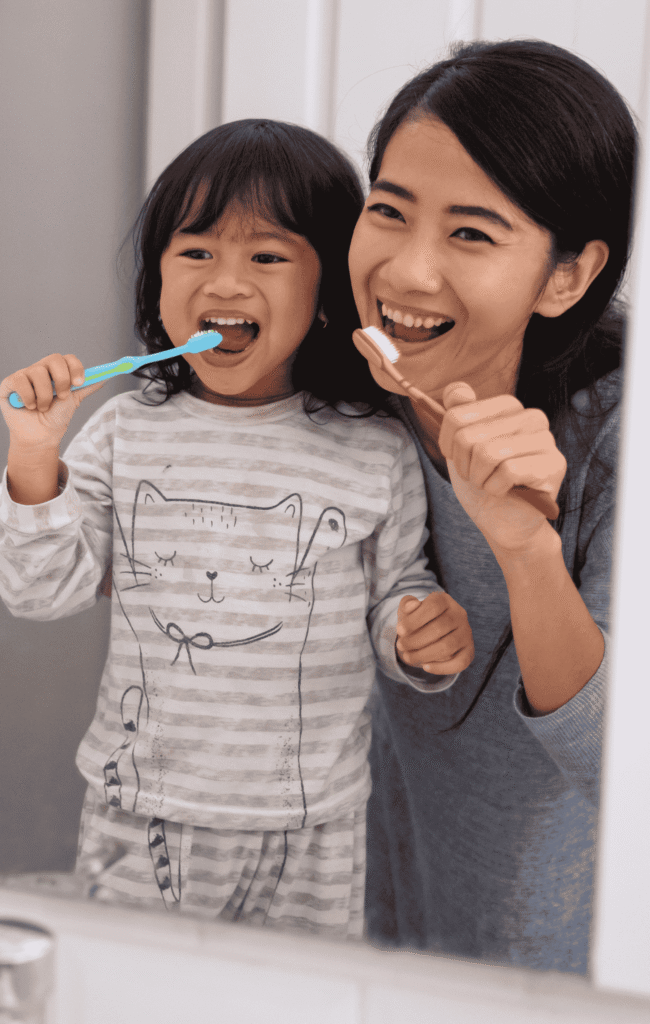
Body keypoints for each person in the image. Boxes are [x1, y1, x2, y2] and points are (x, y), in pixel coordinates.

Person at [0, 120, 474, 937]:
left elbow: (395, 591)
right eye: (196, 252)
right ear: (157, 280)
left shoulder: (374, 448)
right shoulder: (125, 432)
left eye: (267, 256)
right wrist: (36, 455)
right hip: (141, 808)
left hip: (313, 822)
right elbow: (41, 593)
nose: (227, 281)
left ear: (328, 288)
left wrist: (415, 631)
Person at [348, 39, 635, 971]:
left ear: (567, 275)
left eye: (471, 233)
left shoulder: (621, 443)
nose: (407, 272)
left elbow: (616, 769)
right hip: (368, 930)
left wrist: (523, 545)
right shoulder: (338, 389)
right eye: (387, 210)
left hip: (561, 966)